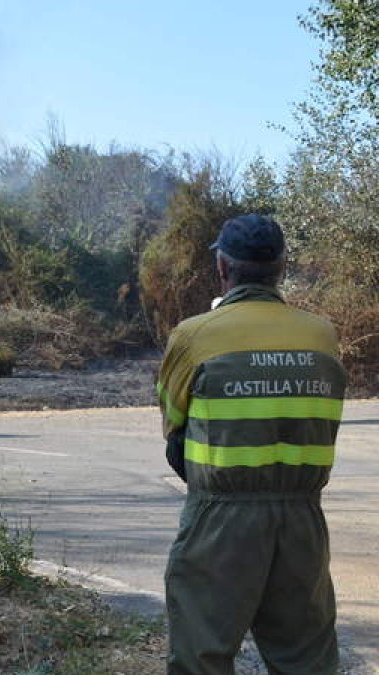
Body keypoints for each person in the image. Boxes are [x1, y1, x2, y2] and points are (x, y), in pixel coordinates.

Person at [156, 214, 347, 675]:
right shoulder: (322, 335)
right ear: (282, 266)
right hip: (302, 519)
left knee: (201, 655)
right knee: (306, 660)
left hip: (221, 520)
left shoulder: (194, 336)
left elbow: (173, 425)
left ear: (222, 267)